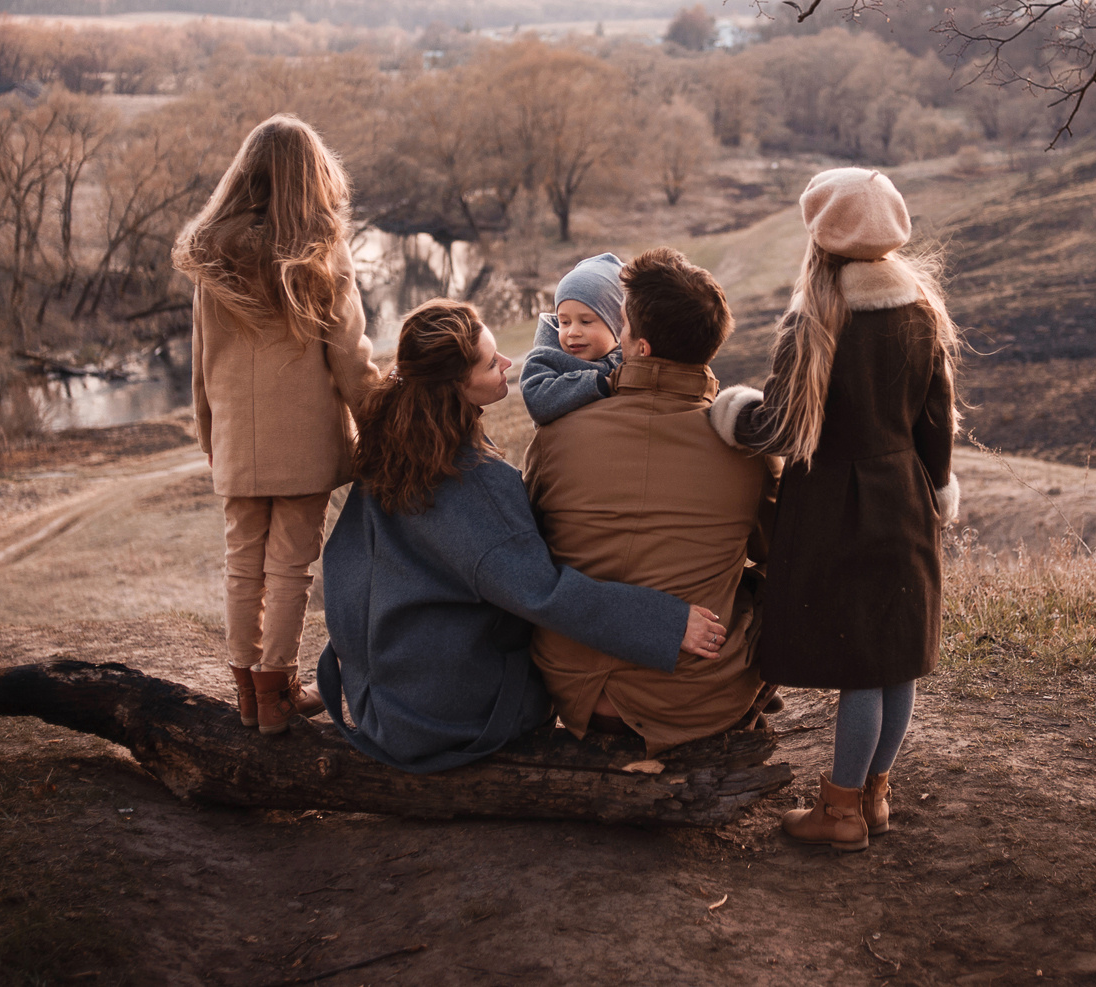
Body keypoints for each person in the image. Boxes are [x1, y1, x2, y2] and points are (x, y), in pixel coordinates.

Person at [317, 299, 729, 773]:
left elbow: (344, 565)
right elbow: (542, 594)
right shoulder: (474, 482)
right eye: (492, 363)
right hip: (444, 716)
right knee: (561, 655)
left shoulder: (392, 445)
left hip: (386, 690)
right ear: (456, 386)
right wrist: (667, 623)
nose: (508, 364)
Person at [715, 168, 960, 851]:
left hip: (834, 507)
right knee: (893, 656)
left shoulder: (816, 318)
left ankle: (842, 810)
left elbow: (779, 429)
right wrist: (938, 488)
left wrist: (729, 413)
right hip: (905, 497)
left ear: (820, 233)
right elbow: (936, 424)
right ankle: (876, 795)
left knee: (858, 659)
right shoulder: (921, 312)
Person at [522, 248, 777, 755]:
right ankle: (743, 706)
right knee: (769, 577)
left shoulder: (557, 432)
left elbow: (528, 546)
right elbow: (779, 552)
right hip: (695, 700)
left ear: (636, 346)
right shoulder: (747, 449)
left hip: (567, 688)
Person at [173, 114, 377, 737]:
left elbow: (201, 365)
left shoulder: (212, 255)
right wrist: (377, 421)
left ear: (246, 174)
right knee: (290, 567)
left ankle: (245, 691)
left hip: (238, 439)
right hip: (305, 443)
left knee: (242, 564)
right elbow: (351, 356)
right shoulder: (322, 253)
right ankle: (276, 697)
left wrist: (212, 439)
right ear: (313, 178)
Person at [518, 252, 625, 426]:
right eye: (564, 322)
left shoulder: (629, 354)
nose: (572, 332)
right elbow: (538, 401)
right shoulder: (546, 358)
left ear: (617, 324)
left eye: (586, 321)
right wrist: (597, 384)